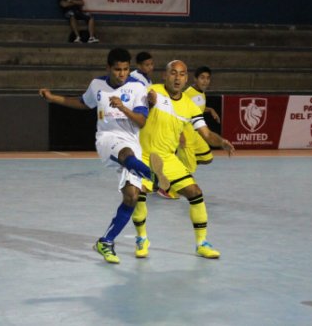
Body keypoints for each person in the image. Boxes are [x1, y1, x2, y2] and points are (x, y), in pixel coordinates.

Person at [39, 48, 169, 264]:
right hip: (107, 138)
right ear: (108, 68)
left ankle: (106, 241)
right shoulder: (97, 85)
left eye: (126, 69)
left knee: (131, 197)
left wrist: (124, 107)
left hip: (132, 140)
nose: (122, 74)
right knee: (125, 154)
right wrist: (53, 98)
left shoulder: (138, 88)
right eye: (117, 69)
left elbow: (142, 121)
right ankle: (154, 177)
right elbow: (82, 103)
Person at [132, 60, 235, 259]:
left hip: (168, 159)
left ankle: (201, 243)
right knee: (139, 193)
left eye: (181, 74)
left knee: (195, 193)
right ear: (165, 75)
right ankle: (142, 238)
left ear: (186, 78)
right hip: (142, 154)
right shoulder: (150, 90)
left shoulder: (189, 106)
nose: (177, 78)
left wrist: (221, 142)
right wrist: (146, 103)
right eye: (173, 73)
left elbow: (206, 134)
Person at [159, 66, 220, 199]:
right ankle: (167, 188)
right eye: (202, 78)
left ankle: (178, 164)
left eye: (208, 78)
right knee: (189, 168)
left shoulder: (200, 93)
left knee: (207, 158)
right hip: (185, 135)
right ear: (195, 79)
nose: (205, 81)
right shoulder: (188, 93)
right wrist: (180, 134)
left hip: (195, 135)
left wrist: (210, 110)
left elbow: (195, 109)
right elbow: (176, 110)